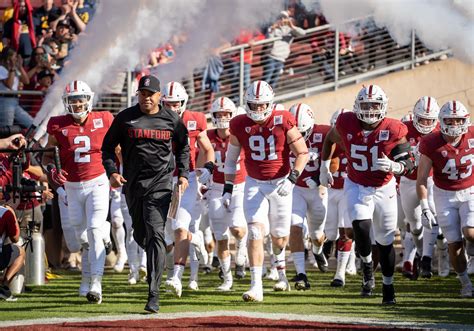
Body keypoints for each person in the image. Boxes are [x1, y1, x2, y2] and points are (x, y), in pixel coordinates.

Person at [102, 74, 190, 313]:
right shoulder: (125, 118)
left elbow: (183, 146)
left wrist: (183, 174)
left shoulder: (172, 119)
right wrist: (112, 171)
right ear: (137, 94)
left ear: (159, 96)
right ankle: (159, 249)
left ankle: (153, 293)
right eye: (142, 94)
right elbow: (107, 148)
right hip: (132, 185)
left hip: (160, 184)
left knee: (154, 233)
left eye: (150, 94)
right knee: (141, 235)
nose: (146, 98)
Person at [320, 84, 415, 305]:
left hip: (384, 188)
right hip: (356, 184)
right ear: (357, 106)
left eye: (375, 105)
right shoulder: (346, 122)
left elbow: (409, 162)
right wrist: (324, 167)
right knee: (360, 227)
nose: (371, 110)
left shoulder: (394, 128)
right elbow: (330, 140)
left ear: (383, 106)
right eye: (366, 105)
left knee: (385, 240)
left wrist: (396, 167)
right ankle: (367, 268)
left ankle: (388, 286)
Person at [223, 80, 309, 301]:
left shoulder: (284, 119)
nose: (258, 109)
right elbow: (231, 160)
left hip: (281, 182)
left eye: (262, 105)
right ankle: (256, 286)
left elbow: (302, 153)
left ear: (270, 103)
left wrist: (292, 178)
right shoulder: (239, 123)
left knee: (279, 239)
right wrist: (227, 188)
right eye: (254, 105)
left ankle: (280, 270)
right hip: (254, 183)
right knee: (254, 231)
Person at [45, 80, 113, 304]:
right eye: (72, 100)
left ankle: (96, 283)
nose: (77, 104)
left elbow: (118, 150)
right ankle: (87, 278)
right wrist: (54, 172)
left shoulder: (104, 119)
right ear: (66, 103)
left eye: (80, 99)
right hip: (72, 187)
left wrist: (119, 173)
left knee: (93, 232)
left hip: (98, 182)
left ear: (89, 100)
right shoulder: (57, 125)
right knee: (79, 241)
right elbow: (48, 156)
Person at [416, 100, 474, 297]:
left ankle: (472, 251)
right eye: (450, 120)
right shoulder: (431, 142)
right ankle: (465, 283)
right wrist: (424, 206)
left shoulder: (472, 135)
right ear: (441, 121)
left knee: (470, 233)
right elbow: (422, 178)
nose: (455, 124)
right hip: (444, 194)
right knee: (454, 243)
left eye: (458, 120)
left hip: (470, 190)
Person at [161, 81, 213, 296]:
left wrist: (207, 169)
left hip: (186, 179)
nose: (173, 108)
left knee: (181, 227)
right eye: (168, 104)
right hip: (162, 181)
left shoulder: (195, 120)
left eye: (176, 104)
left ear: (183, 103)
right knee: (168, 234)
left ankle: (176, 277)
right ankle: (196, 238)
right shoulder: (153, 120)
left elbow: (207, 148)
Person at [399, 96, 449, 279]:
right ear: (414, 116)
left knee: (433, 216)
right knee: (415, 226)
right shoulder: (404, 128)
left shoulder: (441, 130)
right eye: (422, 119)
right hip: (408, 181)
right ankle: (421, 254)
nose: (426, 123)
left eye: (430, 119)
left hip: (430, 180)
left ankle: (437, 255)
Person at [287, 102, 334, 291]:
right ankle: (301, 274)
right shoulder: (284, 134)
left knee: (316, 235)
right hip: (295, 189)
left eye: (303, 132)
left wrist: (319, 177)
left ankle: (318, 250)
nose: (299, 137)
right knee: (295, 227)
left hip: (317, 191)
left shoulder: (324, 134)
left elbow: (336, 159)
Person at [207, 96, 248, 291]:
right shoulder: (206, 136)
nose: (222, 117)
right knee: (220, 236)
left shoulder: (240, 134)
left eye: (226, 114)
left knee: (238, 229)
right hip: (216, 187)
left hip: (239, 186)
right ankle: (227, 278)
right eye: (219, 114)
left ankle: (242, 245)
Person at [324, 108, 356, 287]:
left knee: (346, 230)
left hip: (348, 190)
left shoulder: (358, 142)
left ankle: (340, 273)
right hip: (330, 191)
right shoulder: (329, 142)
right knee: (330, 233)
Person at [263, 11, 306, 89]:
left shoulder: (290, 29)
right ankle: (260, 98)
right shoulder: (272, 28)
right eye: (280, 17)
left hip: (281, 59)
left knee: (273, 82)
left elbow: (303, 33)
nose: (282, 19)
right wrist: (272, 30)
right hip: (271, 57)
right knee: (266, 81)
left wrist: (292, 26)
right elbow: (268, 42)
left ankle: (268, 99)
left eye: (284, 17)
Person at [0, 205, 25, 301]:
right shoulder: (5, 212)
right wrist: (13, 215)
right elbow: (15, 238)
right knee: (20, 251)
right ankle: (4, 285)